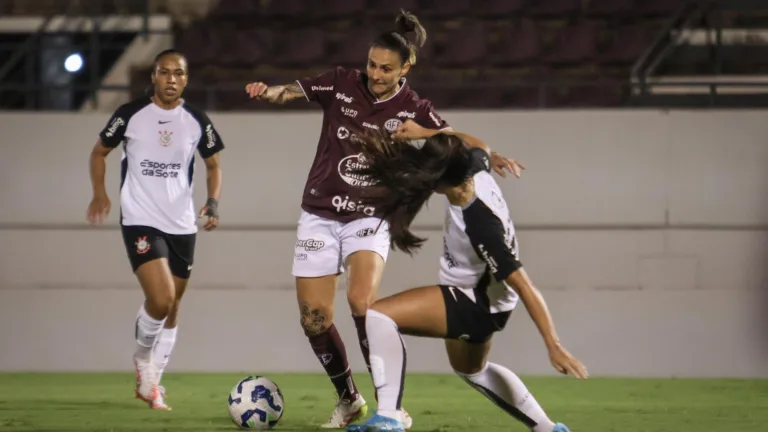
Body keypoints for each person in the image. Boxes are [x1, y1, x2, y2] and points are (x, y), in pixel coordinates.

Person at [244, 10, 523, 429]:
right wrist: (267, 92)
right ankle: (348, 400)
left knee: (361, 302)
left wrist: (486, 153)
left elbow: (462, 142)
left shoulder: (414, 109)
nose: (375, 74)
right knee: (313, 319)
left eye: (385, 68)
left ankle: (388, 406)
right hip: (319, 213)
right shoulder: (340, 82)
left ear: (405, 68)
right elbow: (291, 91)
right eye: (372, 64)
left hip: (370, 215)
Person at [341, 124, 588, 432]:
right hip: (489, 303)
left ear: (441, 182)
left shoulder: (481, 225)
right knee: (473, 370)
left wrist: (554, 345)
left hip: (475, 301)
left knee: (377, 316)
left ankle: (389, 417)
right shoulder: (476, 170)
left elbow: (524, 285)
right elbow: (479, 144)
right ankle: (548, 429)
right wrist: (425, 132)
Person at [86, 49, 225, 411]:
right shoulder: (130, 115)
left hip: (181, 223)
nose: (171, 79)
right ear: (153, 76)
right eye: (164, 72)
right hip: (140, 219)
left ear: (186, 79)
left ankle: (153, 385)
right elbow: (98, 152)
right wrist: (100, 193)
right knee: (161, 299)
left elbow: (214, 165)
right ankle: (142, 359)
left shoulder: (196, 120)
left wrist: (213, 202)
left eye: (178, 73)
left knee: (173, 306)